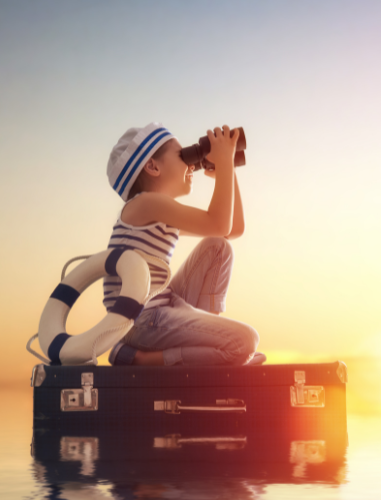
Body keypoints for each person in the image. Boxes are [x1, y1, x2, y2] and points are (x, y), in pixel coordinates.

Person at [103, 122, 264, 366]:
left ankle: (210, 348)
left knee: (218, 247)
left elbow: (231, 230)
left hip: (163, 308)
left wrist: (227, 169)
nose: (192, 164)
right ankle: (143, 359)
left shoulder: (159, 212)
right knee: (246, 341)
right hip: (140, 321)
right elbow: (219, 224)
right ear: (152, 166)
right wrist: (223, 162)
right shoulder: (145, 204)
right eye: (184, 156)